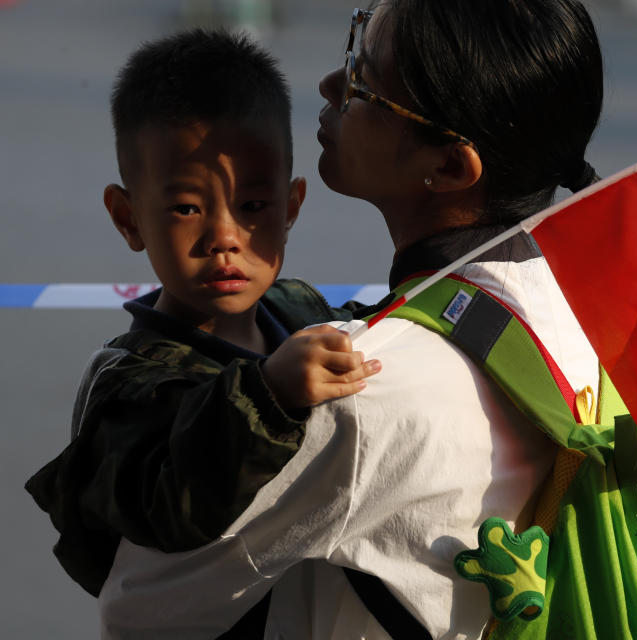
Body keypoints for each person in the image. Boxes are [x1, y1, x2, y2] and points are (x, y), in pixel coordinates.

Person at [97, 1, 604, 638]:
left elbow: (145, 609)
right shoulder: (567, 305)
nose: (331, 87)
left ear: (448, 166)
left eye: (364, 81)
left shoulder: (359, 390)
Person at [24, 28, 383, 637]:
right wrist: (267, 397)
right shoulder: (129, 384)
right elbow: (174, 504)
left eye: (252, 207)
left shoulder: (296, 310)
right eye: (187, 208)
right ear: (127, 217)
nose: (224, 236)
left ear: (291, 207)